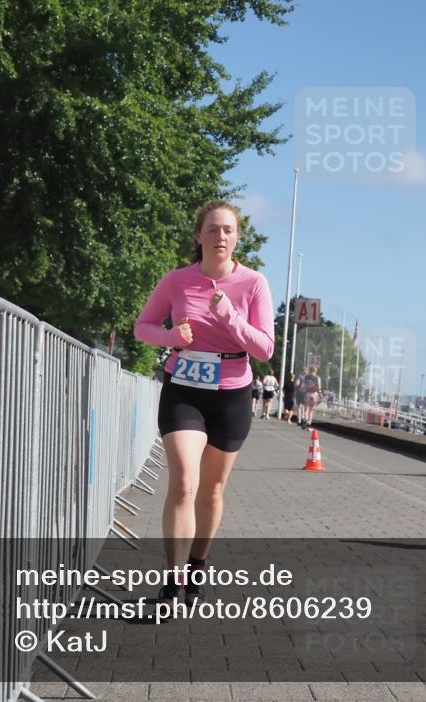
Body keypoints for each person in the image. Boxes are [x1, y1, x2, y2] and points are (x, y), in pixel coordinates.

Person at [134, 200, 274, 606]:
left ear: (237, 238)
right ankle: (172, 583)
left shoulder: (253, 284)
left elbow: (265, 348)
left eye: (228, 230)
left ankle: (197, 565)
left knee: (211, 492)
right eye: (212, 229)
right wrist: (171, 338)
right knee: (184, 483)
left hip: (232, 391)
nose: (220, 237)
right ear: (199, 236)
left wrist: (230, 316)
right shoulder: (176, 281)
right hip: (185, 388)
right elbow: (143, 327)